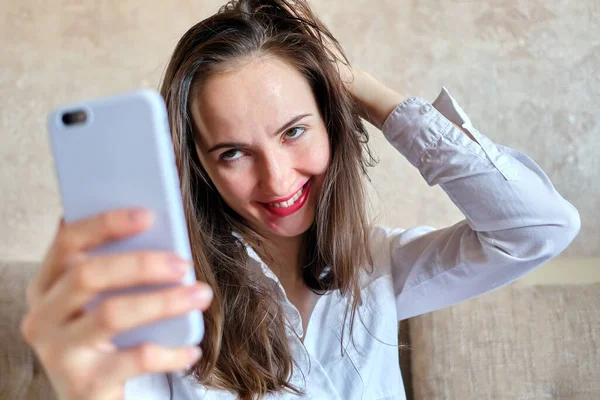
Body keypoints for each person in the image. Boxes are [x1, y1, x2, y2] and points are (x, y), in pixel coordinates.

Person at [20, 0, 581, 399]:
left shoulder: (380, 270)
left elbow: (537, 227)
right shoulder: (169, 308)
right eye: (233, 153)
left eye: (293, 131)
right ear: (200, 167)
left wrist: (356, 84)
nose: (277, 180)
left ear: (335, 124)